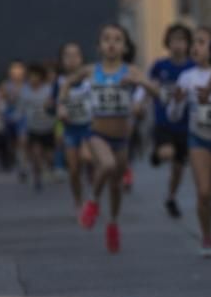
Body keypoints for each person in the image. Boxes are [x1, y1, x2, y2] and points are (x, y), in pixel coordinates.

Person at [74, 24, 158, 252]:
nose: (111, 43)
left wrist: (140, 87)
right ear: (99, 46)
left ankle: (112, 223)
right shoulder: (90, 71)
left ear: (125, 46)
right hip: (96, 133)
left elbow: (155, 92)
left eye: (117, 39)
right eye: (106, 39)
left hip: (122, 139)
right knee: (107, 165)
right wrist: (62, 104)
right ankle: (91, 201)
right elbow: (67, 85)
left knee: (116, 186)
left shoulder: (131, 71)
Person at [169, 26, 211, 257]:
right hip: (198, 140)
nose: (194, 47)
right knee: (204, 193)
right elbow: (173, 116)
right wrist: (176, 102)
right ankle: (207, 236)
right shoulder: (186, 77)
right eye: (193, 42)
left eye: (201, 42)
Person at [149, 24, 194, 217]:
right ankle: (159, 153)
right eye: (174, 40)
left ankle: (171, 197)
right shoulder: (160, 66)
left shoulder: (192, 67)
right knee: (168, 153)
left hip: (185, 124)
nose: (178, 45)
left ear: (188, 44)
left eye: (182, 40)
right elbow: (149, 88)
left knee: (178, 167)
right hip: (164, 122)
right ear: (168, 43)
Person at [53, 42, 93, 211]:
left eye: (75, 55)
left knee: (87, 157)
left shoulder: (90, 80)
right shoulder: (60, 82)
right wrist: (59, 113)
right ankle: (78, 200)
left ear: (81, 59)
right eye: (67, 56)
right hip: (70, 129)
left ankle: (93, 189)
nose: (72, 60)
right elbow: (53, 104)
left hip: (89, 127)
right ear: (62, 60)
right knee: (74, 170)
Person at [19, 63, 57, 191]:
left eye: (36, 76)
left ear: (41, 77)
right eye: (31, 76)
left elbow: (55, 106)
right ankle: (36, 176)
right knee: (35, 153)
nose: (33, 79)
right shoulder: (25, 91)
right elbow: (21, 109)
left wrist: (51, 107)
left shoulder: (48, 90)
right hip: (32, 127)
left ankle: (50, 165)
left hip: (47, 127)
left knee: (48, 156)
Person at [0, 60, 26, 172]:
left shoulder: (27, 85)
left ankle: (22, 163)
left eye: (19, 69)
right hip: (9, 117)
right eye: (14, 69)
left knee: (22, 139)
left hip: (23, 116)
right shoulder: (5, 85)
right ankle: (13, 158)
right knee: (11, 142)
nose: (17, 72)